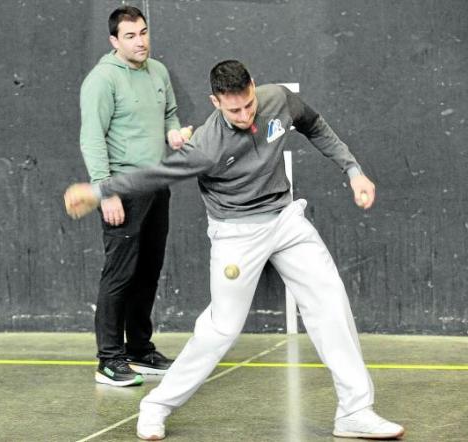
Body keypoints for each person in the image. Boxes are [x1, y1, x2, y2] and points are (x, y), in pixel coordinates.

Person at [66, 60, 405, 439]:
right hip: (236, 233)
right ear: (215, 102)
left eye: (248, 105)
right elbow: (154, 174)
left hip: (285, 219)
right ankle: (156, 406)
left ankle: (355, 411)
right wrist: (98, 190)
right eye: (233, 110)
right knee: (220, 329)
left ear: (254, 87)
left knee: (331, 303)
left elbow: (314, 124)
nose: (244, 115)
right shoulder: (206, 146)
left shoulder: (278, 99)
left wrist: (352, 169)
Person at [78, 6, 191, 387]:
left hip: (157, 187)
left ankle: (139, 350)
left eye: (143, 32)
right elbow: (92, 138)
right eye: (130, 36)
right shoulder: (101, 80)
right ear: (114, 41)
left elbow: (171, 114)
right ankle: (109, 360)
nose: (140, 41)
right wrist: (104, 190)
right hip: (122, 191)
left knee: (148, 272)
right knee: (120, 275)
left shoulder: (158, 71)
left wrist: (173, 133)